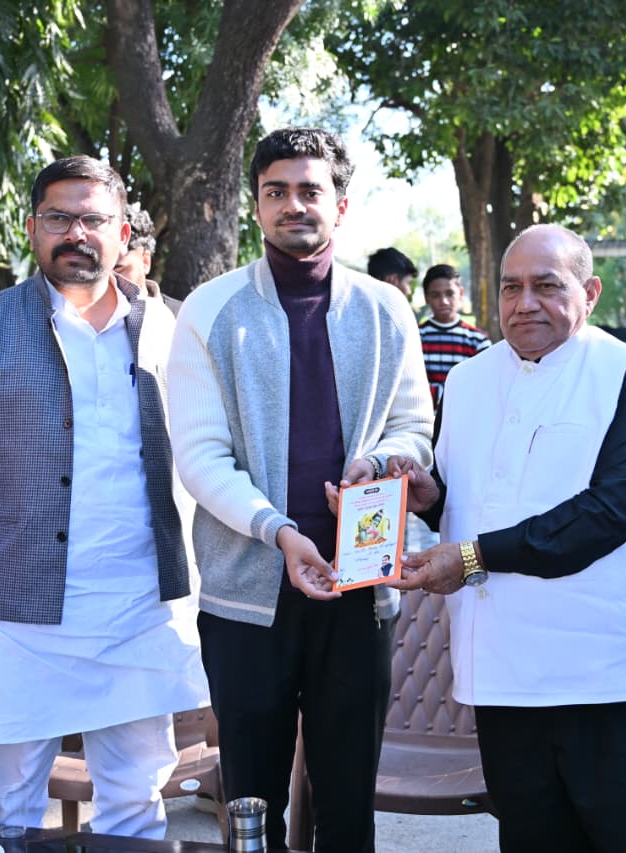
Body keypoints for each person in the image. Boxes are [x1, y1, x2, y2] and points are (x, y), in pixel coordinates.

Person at [167, 127, 433, 851]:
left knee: (348, 801)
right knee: (251, 803)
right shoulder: (211, 310)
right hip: (246, 596)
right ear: (255, 205)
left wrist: (379, 464)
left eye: (310, 190)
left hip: (360, 588)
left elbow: (415, 427)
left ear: (340, 204)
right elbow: (200, 456)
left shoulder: (385, 309)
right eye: (276, 191)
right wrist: (279, 531)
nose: (294, 205)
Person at [386, 223, 626, 852]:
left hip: (612, 676)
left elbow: (604, 516)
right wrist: (432, 497)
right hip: (504, 673)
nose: (525, 303)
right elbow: (477, 498)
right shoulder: (467, 381)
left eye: (547, 286)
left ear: (590, 293)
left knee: (625, 841)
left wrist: (470, 558)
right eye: (511, 287)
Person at [0, 155, 206, 837]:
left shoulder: (166, 327)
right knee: (10, 800)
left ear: (122, 234)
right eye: (58, 217)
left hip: (140, 607)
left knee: (136, 799)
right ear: (32, 228)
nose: (76, 233)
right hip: (18, 612)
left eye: (93, 219)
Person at [417, 264, 490, 405]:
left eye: (450, 293)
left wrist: (434, 393)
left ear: (461, 294)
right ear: (426, 298)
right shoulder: (415, 338)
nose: (443, 301)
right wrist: (459, 393)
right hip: (425, 417)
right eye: (435, 295)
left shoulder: (478, 340)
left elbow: (484, 388)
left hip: (466, 417)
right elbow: (411, 389)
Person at [115, 203, 182, 315]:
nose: (109, 281)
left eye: (118, 271)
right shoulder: (86, 322)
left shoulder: (182, 317)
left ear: (145, 261)